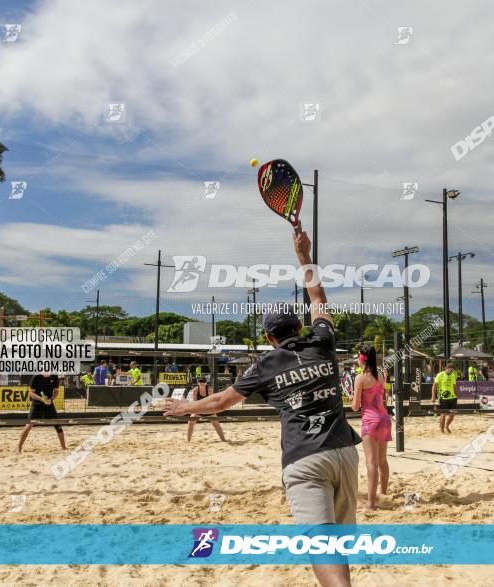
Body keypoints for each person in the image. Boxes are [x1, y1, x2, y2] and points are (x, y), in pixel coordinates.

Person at [163, 222, 360, 587]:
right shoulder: (322, 341)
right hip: (345, 451)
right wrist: (303, 255)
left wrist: (186, 408)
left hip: (304, 458)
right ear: (300, 327)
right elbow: (318, 297)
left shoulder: (265, 365)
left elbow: (221, 402)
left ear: (270, 337)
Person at [350, 345, 391, 510]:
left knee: (371, 464)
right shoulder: (381, 375)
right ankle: (384, 493)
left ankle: (371, 503)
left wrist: (352, 395)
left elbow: (354, 406)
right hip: (384, 419)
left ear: (362, 359)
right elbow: (383, 397)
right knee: (382, 461)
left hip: (371, 421)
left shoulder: (360, 379)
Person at [17, 371, 66, 453]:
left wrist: (51, 399)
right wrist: (42, 399)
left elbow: (56, 392)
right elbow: (31, 393)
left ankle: (64, 448)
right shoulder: (36, 377)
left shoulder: (54, 376)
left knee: (58, 425)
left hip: (49, 403)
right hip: (37, 403)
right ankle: (19, 448)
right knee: (29, 425)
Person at [432, 363, 458, 434]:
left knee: (452, 413)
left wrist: (457, 394)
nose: (451, 371)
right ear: (446, 368)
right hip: (443, 398)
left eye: (452, 370)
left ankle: (447, 426)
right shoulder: (440, 375)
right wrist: (433, 397)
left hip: (452, 397)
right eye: (450, 369)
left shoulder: (452, 375)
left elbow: (454, 386)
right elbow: (434, 386)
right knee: (443, 414)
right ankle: (442, 430)